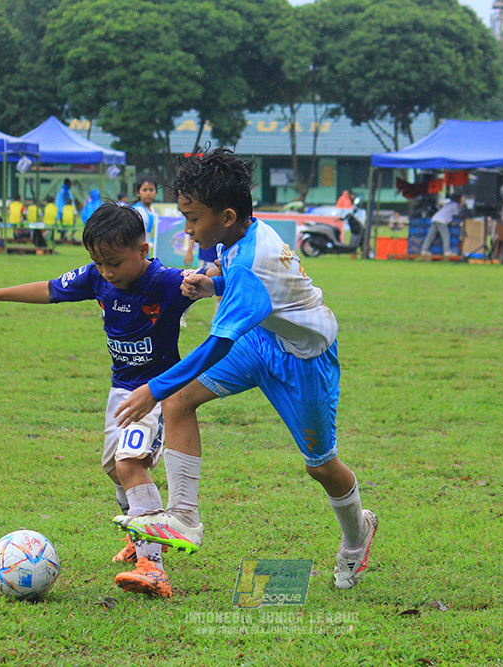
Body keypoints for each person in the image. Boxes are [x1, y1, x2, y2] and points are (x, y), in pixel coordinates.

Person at [112, 148, 378, 591]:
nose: (190, 231)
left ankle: (357, 535)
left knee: (320, 465)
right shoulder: (240, 238)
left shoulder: (255, 258)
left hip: (303, 362)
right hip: (261, 340)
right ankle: (184, 517)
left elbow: (218, 344)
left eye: (193, 219)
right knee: (182, 401)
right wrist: (212, 283)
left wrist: (153, 388)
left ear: (228, 215)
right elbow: (242, 286)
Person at [0, 203, 205, 599]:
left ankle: (152, 565)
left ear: (142, 251)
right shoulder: (97, 278)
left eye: (114, 263)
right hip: (121, 391)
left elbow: (211, 277)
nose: (106, 271)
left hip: (157, 392)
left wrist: (205, 278)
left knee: (130, 465)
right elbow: (50, 290)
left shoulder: (164, 282)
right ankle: (138, 531)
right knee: (114, 467)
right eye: (98, 262)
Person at [421, 193, 464, 258]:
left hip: (435, 218)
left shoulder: (448, 204)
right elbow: (457, 214)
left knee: (430, 236)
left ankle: (424, 250)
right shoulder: (455, 205)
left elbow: (447, 213)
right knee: (446, 235)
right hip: (442, 221)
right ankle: (447, 251)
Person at [131, 177, 158, 254]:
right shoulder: (137, 210)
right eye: (145, 190)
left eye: (151, 190)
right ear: (138, 193)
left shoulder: (153, 211)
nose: (148, 193)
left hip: (145, 251)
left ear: (156, 192)